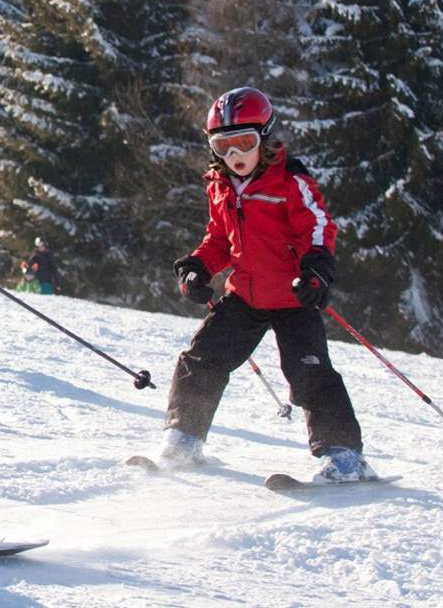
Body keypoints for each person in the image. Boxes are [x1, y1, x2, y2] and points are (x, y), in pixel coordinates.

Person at [158, 86, 377, 483]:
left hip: (293, 295)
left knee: (307, 372)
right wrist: (197, 269)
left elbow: (319, 227)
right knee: (201, 359)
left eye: (244, 143)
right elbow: (219, 239)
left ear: (267, 137)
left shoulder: (290, 181)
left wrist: (317, 271)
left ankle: (346, 456)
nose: (234, 156)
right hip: (244, 294)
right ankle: (183, 439)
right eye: (223, 145)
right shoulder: (219, 185)